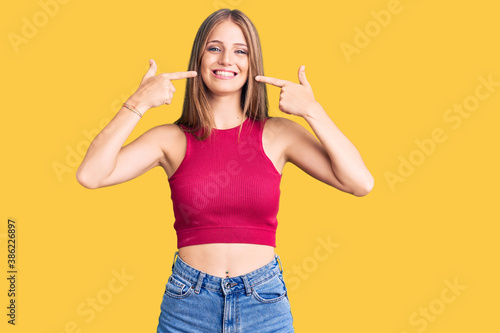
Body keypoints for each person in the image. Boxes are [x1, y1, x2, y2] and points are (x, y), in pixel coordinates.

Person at [76, 8, 374, 333]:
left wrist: (313, 112)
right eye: (214, 48)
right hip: (188, 304)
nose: (226, 60)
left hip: (263, 303)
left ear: (252, 62)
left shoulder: (278, 134)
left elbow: (360, 182)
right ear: (199, 58)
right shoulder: (171, 139)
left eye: (240, 50)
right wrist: (138, 102)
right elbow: (91, 174)